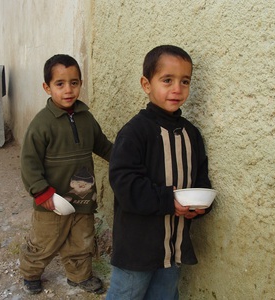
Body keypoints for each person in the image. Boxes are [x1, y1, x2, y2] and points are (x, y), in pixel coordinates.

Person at [106, 45, 213, 300]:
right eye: (167, 80)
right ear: (146, 84)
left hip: (173, 246)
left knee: (164, 295)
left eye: (184, 81)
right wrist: (168, 201)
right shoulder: (134, 132)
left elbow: (200, 177)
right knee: (127, 295)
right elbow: (125, 184)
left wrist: (202, 205)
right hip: (137, 247)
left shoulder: (192, 134)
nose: (177, 89)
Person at [19, 54, 112, 295]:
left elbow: (102, 146)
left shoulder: (86, 118)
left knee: (81, 241)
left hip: (82, 197)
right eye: (60, 84)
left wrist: (124, 159)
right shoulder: (42, 124)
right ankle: (30, 273)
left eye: (74, 83)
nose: (68, 90)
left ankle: (79, 276)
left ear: (81, 83)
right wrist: (41, 192)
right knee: (43, 242)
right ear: (47, 87)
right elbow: (29, 162)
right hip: (52, 201)